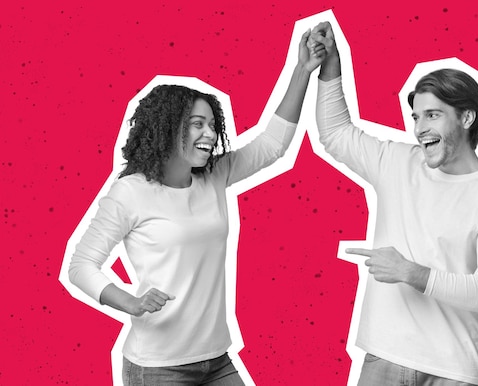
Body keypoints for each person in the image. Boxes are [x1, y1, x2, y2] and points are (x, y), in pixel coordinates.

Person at [66, 30, 326, 385]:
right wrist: (128, 301)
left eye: (211, 125)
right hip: (158, 366)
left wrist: (303, 70)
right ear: (167, 129)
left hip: (216, 357)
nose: (209, 134)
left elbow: (272, 144)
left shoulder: (214, 175)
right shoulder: (131, 192)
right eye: (196, 124)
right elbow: (80, 265)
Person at [309, 22, 478, 386]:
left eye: (433, 115)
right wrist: (332, 65)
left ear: (466, 118)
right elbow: (335, 133)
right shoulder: (398, 162)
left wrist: (414, 274)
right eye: (416, 116)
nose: (419, 128)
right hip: (384, 358)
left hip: (454, 370)